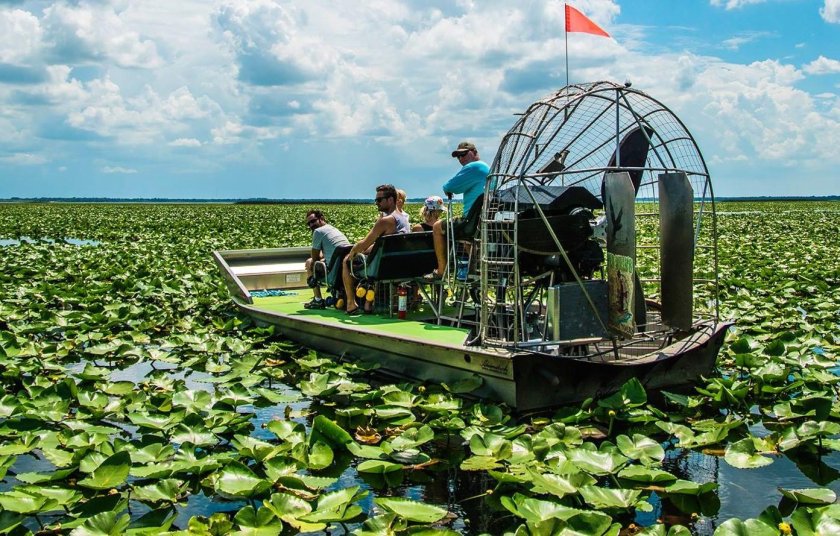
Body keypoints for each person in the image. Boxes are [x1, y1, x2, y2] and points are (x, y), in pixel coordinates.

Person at [342, 184, 409, 314]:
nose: (376, 203)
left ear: (390, 200)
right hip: (401, 265)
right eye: (375, 200)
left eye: (379, 200)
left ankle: (351, 303)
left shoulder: (386, 220)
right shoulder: (403, 218)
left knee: (346, 261)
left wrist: (352, 252)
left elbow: (363, 244)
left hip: (384, 268)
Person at [429, 141, 491, 277]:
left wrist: (447, 189)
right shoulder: (487, 168)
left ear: (474, 152)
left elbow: (450, 187)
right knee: (467, 238)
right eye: (458, 156)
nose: (461, 159)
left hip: (472, 221)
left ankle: (441, 270)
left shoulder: (473, 167)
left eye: (463, 154)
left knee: (438, 227)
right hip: (483, 220)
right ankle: (475, 268)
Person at [303, 209, 350, 309]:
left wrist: (311, 278)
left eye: (313, 221)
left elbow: (315, 258)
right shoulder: (333, 229)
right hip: (345, 268)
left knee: (309, 262)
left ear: (321, 218)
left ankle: (318, 300)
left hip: (333, 272)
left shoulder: (318, 232)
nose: (311, 225)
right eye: (309, 224)